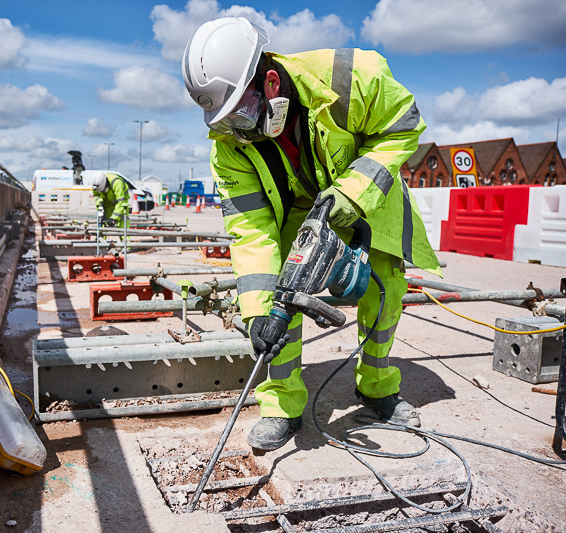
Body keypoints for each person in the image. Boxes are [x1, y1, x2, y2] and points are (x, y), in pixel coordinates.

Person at [182, 17, 441, 451]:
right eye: (226, 122)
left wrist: (351, 194)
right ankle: (281, 406)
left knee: (385, 291)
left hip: (365, 193)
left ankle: (376, 387)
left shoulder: (352, 75)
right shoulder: (230, 146)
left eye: (242, 113)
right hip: (299, 208)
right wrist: (258, 313)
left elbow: (402, 125)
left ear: (269, 81)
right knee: (279, 301)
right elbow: (251, 231)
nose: (238, 130)